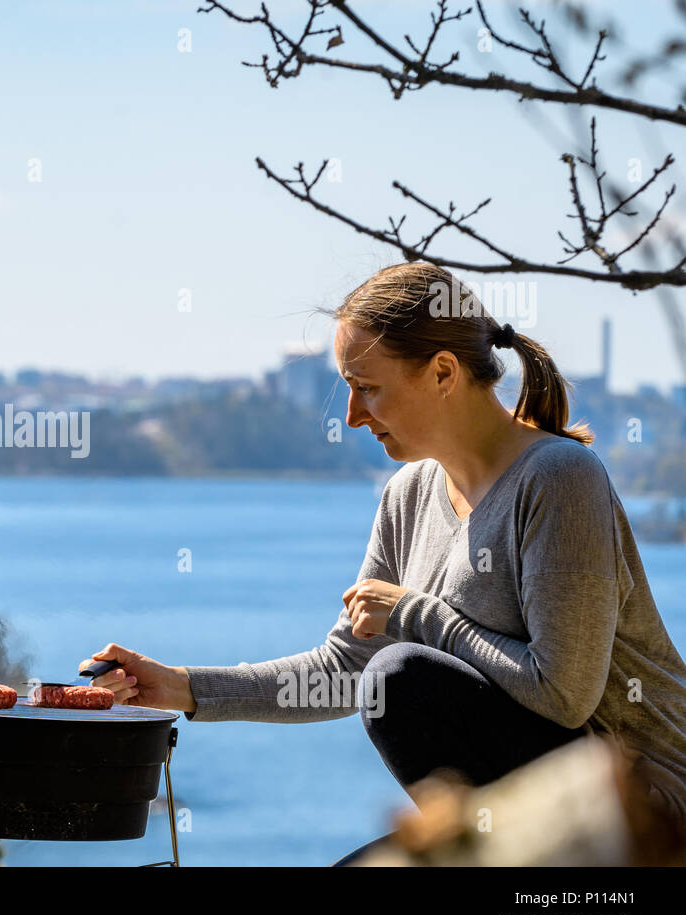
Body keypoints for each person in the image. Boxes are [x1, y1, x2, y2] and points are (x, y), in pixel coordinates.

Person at [79, 261, 686, 863]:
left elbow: (563, 694)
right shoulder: (408, 494)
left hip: (644, 808)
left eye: (368, 387)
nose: (351, 415)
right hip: (541, 794)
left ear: (444, 372)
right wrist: (182, 687)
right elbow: (343, 669)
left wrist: (416, 614)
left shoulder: (558, 478)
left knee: (401, 681)